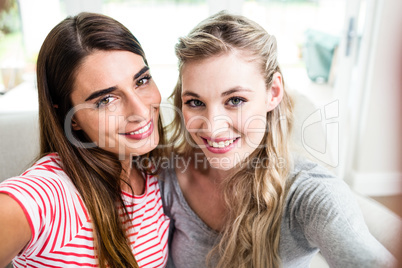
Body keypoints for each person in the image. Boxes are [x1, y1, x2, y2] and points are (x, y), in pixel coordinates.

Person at [158, 11, 398, 268]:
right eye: (195, 102)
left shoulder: (310, 195)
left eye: (235, 100)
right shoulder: (170, 177)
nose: (213, 128)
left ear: (273, 92)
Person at [0, 12, 169, 268]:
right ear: (71, 118)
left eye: (141, 80)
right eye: (106, 100)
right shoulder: (53, 194)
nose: (141, 111)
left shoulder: (154, 172)